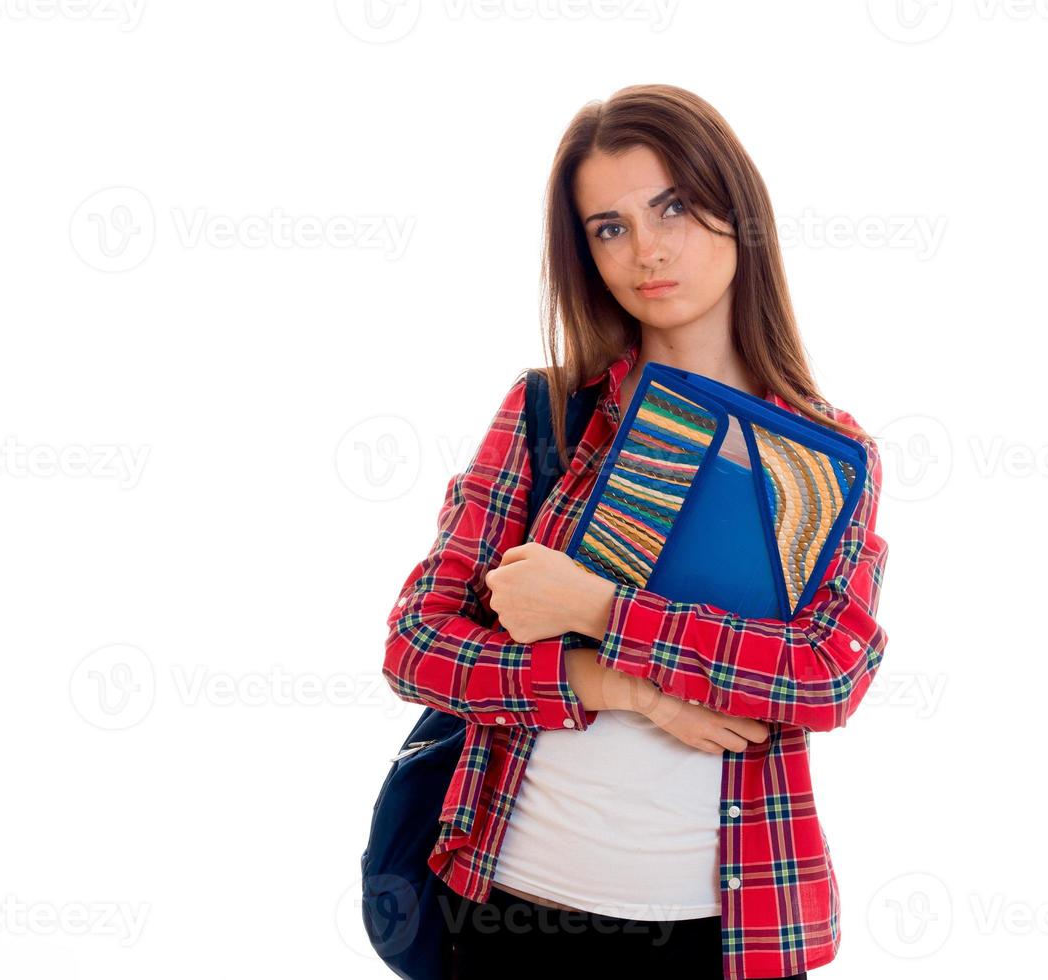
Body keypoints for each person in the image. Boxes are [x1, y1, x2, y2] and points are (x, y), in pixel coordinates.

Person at [381, 83, 891, 980]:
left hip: (727, 931)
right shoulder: (551, 413)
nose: (647, 250)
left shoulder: (826, 455)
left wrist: (604, 610)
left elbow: (827, 673)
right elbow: (415, 646)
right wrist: (622, 686)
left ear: (738, 212)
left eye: (674, 208)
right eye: (608, 227)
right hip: (512, 913)